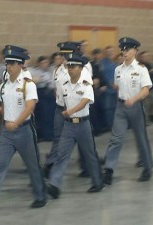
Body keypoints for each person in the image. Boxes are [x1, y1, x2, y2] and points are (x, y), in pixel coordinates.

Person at [0, 47, 46, 213]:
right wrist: (3, 110)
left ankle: (40, 194)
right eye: (7, 64)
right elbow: (3, 102)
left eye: (12, 64)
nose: (8, 67)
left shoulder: (28, 84)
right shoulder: (5, 85)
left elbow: (30, 106)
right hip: (7, 132)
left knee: (32, 165)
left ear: (20, 65)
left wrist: (17, 122)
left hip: (24, 130)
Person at [47, 52, 104, 199]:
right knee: (61, 155)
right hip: (68, 126)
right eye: (69, 66)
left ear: (81, 68)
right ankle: (54, 184)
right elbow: (60, 99)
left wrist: (71, 110)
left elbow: (85, 101)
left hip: (83, 124)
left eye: (74, 66)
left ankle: (97, 182)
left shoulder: (86, 84)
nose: (71, 69)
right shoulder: (65, 85)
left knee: (89, 154)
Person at [102, 37, 153, 185]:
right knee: (116, 138)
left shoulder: (141, 69)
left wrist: (133, 98)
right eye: (123, 50)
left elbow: (145, 91)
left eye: (127, 50)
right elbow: (118, 86)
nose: (124, 52)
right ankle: (109, 170)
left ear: (135, 51)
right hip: (121, 107)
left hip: (136, 107)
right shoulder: (118, 69)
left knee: (141, 138)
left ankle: (147, 167)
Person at [30, 55, 55, 141]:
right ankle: (43, 134)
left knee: (50, 115)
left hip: (49, 93)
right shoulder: (35, 72)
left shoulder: (49, 72)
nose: (45, 64)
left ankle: (50, 134)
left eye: (46, 63)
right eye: (43, 63)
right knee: (43, 115)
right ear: (39, 64)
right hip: (41, 93)